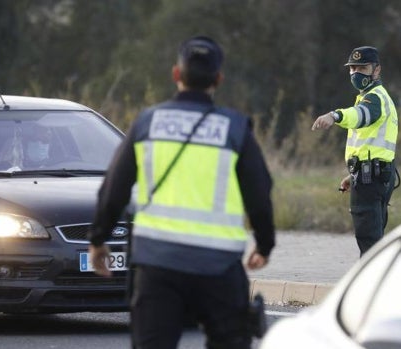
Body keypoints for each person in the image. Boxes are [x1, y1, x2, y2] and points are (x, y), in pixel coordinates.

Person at [87, 36, 276, 349]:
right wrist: (265, 244)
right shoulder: (235, 129)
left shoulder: (148, 122)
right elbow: (260, 191)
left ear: (176, 74)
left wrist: (98, 239)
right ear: (218, 79)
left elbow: (114, 188)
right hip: (219, 268)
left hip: (157, 267)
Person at [311, 46, 398, 256]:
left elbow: (361, 116)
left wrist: (335, 116)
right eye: (352, 68)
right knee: (373, 240)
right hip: (374, 175)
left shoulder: (375, 98)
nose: (356, 73)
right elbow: (372, 145)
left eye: (362, 67)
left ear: (376, 70)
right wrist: (354, 174)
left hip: (371, 179)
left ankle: (371, 287)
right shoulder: (373, 96)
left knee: (370, 245)